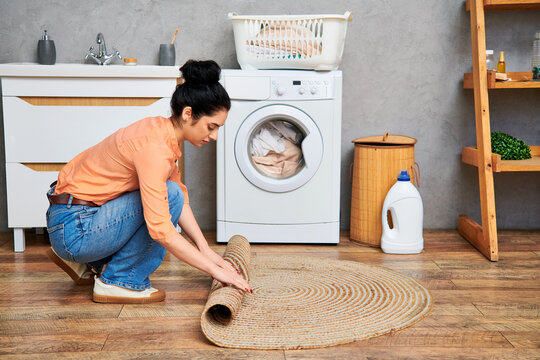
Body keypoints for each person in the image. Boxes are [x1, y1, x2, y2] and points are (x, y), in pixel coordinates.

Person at [45, 59, 251, 304]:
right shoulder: (154, 148)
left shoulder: (160, 132)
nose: (214, 136)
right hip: (75, 228)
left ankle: (97, 263)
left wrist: (204, 249)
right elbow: (162, 230)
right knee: (169, 195)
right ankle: (119, 280)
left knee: (173, 193)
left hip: (74, 218)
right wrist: (214, 270)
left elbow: (181, 201)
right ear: (188, 114)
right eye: (211, 126)